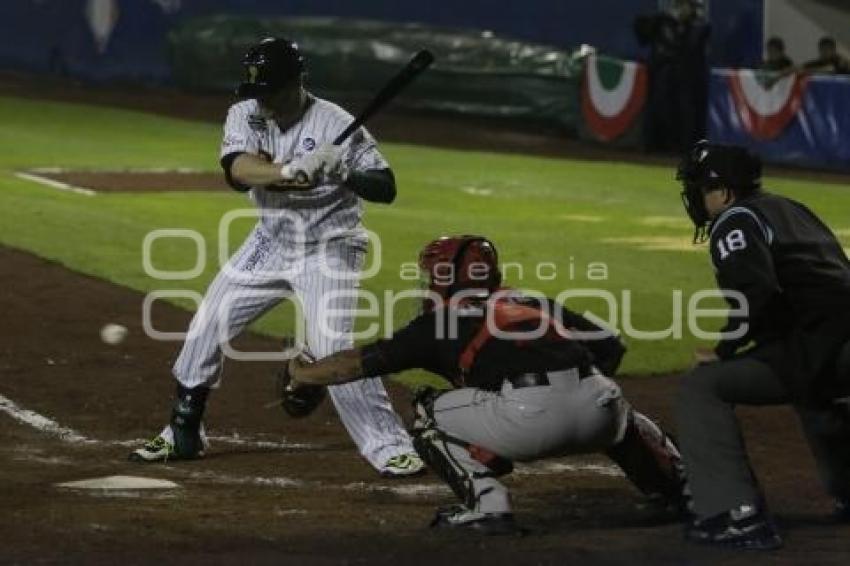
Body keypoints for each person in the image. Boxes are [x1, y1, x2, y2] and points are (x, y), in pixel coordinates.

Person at [129, 37, 424, 478]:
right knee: (207, 324)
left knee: (330, 350)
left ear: (296, 82)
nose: (260, 100)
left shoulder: (336, 123)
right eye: (255, 91)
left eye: (269, 90)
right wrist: (288, 171)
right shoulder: (245, 112)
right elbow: (237, 171)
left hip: (330, 247)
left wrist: (345, 171)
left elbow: (386, 186)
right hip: (270, 241)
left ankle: (389, 446)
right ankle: (182, 432)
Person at [281, 235, 689, 534]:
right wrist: (572, 393)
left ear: (445, 277)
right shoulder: (532, 301)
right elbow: (611, 348)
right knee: (616, 408)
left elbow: (355, 365)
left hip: (526, 422)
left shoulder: (438, 323)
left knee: (428, 411)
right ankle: (679, 488)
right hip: (599, 406)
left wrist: (302, 374)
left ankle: (487, 506)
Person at [675, 140, 850, 549]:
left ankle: (735, 513)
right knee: (807, 381)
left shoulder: (735, 220)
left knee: (702, 387)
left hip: (829, 345)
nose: (698, 198)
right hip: (832, 342)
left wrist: (721, 351)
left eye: (701, 188)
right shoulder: (790, 208)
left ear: (722, 190)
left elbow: (757, 295)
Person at [634, 0, 710, 152]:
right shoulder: (663, 23)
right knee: (657, 110)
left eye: (685, 6)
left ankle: (683, 148)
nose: (681, 9)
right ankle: (654, 145)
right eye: (679, 5)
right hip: (661, 76)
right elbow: (641, 34)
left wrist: (683, 27)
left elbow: (690, 49)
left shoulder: (699, 28)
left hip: (686, 80)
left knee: (685, 114)